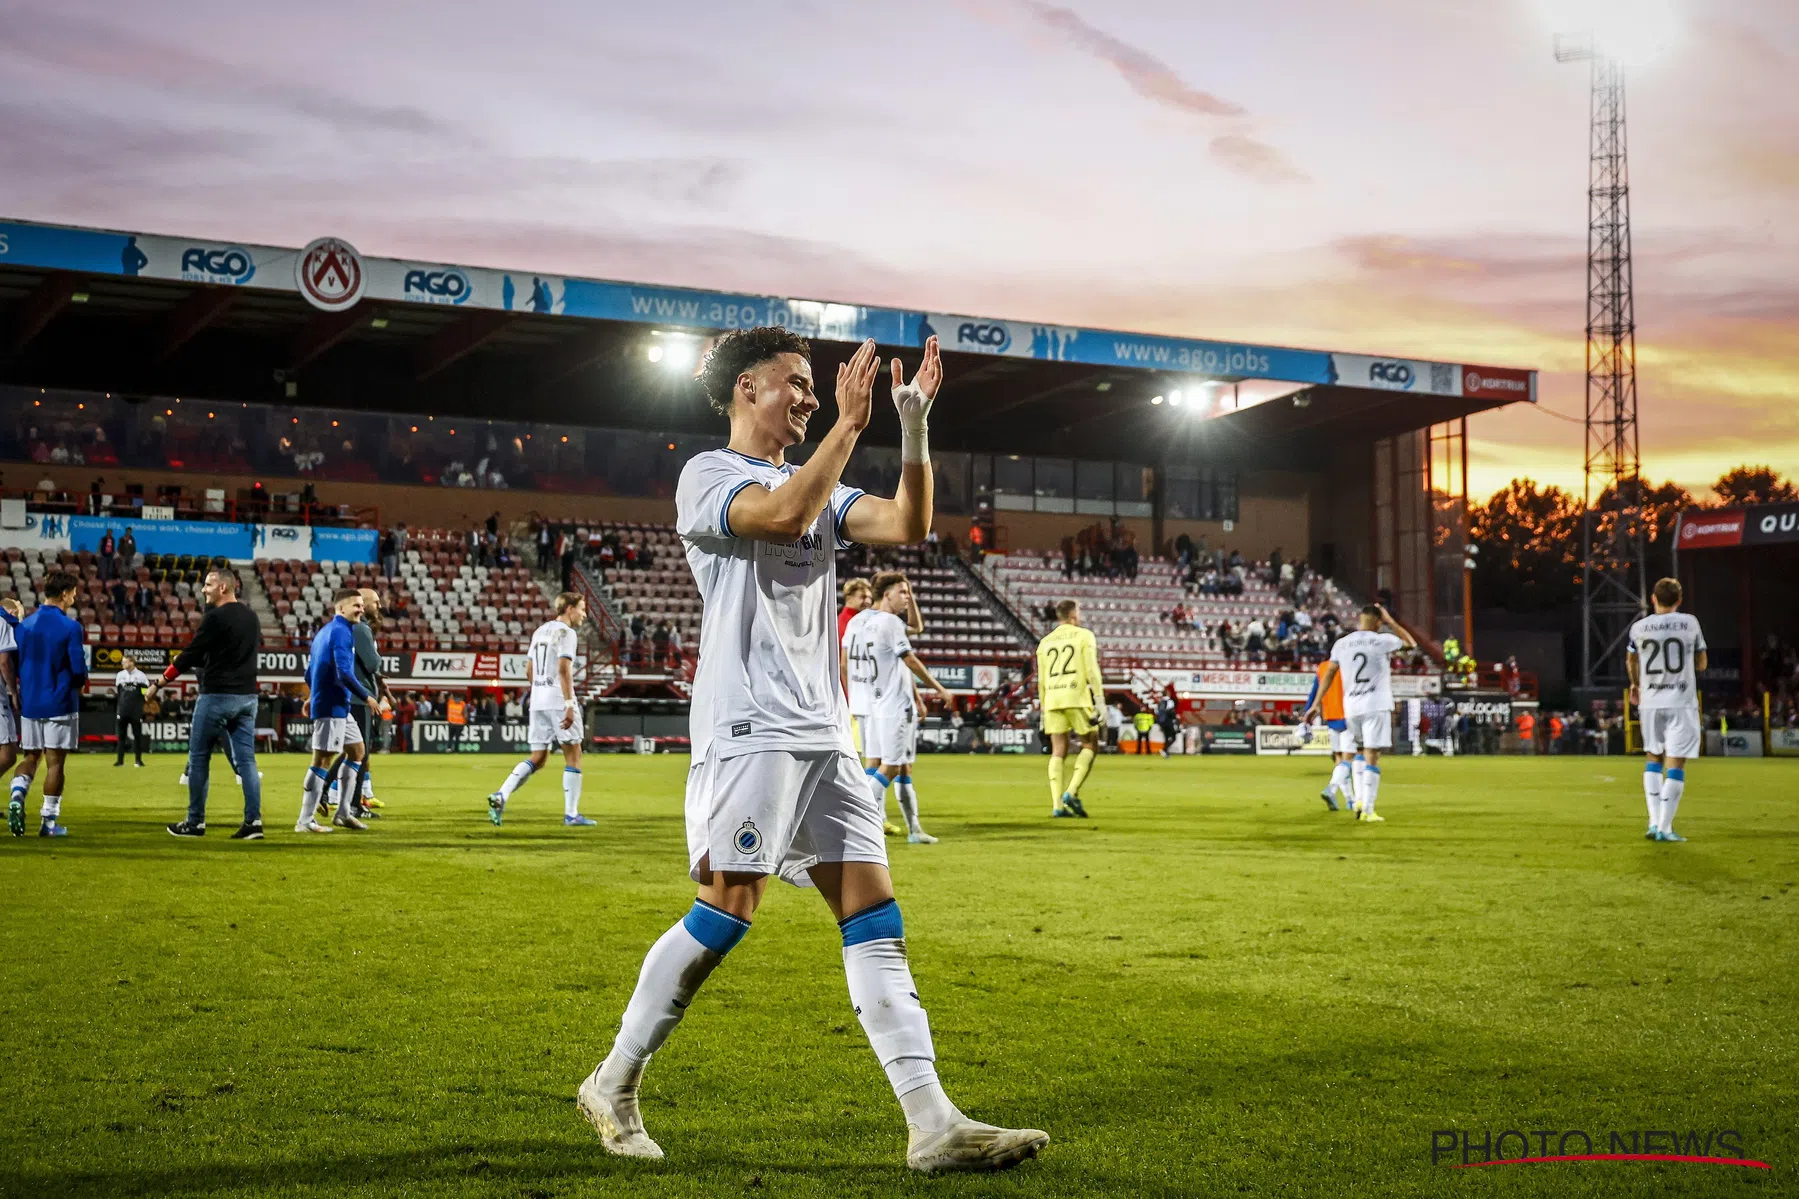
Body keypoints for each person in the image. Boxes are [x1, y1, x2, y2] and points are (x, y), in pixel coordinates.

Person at [576, 329, 1045, 1173]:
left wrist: (911, 425)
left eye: (810, 387)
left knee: (873, 916)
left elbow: (908, 521)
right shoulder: (709, 476)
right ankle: (613, 1081)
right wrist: (848, 425)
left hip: (825, 733)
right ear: (746, 388)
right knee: (727, 911)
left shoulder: (819, 481)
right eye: (793, 383)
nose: (806, 396)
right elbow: (783, 512)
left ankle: (931, 1121)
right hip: (749, 726)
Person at [155, 569, 266, 839]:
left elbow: (192, 653)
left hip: (217, 695)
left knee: (199, 758)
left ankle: (195, 823)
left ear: (224, 588)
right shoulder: (251, 616)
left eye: (208, 585)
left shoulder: (214, 617)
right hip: (248, 697)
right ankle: (253, 823)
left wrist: (161, 681)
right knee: (247, 762)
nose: (204, 589)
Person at [844, 571, 953, 844]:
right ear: (887, 594)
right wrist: (939, 689)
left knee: (888, 765)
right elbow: (910, 660)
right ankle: (857, 819)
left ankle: (913, 829)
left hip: (867, 701)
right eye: (902, 592)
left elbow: (846, 663)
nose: (906, 597)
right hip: (892, 703)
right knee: (892, 766)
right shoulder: (890, 622)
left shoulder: (858, 621)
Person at [487, 592, 595, 827]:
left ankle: (501, 795)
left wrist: (539, 691)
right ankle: (571, 814)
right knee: (574, 755)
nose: (584, 614)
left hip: (537, 699)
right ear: (569, 609)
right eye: (581, 608)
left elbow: (528, 670)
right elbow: (564, 669)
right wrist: (567, 704)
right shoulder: (567, 633)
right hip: (558, 698)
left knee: (538, 757)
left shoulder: (540, 631)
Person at [1303, 604, 1416, 823]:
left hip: (1351, 708)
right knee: (1372, 755)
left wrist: (1316, 703)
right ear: (1378, 621)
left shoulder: (1342, 644)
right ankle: (1368, 808)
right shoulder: (1382, 640)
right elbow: (1411, 644)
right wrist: (1391, 622)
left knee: (1357, 752)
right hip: (1375, 704)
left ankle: (1358, 800)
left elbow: (1329, 674)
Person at [297, 590, 386, 834]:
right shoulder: (341, 632)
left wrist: (310, 695)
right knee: (322, 761)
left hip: (337, 704)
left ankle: (344, 812)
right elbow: (344, 673)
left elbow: (310, 670)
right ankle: (305, 821)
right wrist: (368, 696)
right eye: (355, 605)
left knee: (357, 751)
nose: (360, 609)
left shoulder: (325, 631)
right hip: (332, 704)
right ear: (341, 608)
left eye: (361, 605)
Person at [8, 570, 87, 838]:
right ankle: (49, 823)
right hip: (60, 702)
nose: (75, 597)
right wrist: (78, 686)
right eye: (74, 593)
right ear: (65, 594)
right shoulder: (71, 627)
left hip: (31, 702)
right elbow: (78, 669)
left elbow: (14, 663)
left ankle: (17, 794)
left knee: (30, 757)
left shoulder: (24, 626)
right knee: (55, 764)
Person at [1629, 577, 1707, 843]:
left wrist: (1634, 684)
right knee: (1676, 761)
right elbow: (1702, 663)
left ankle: (1653, 823)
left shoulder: (1639, 627)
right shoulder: (1690, 622)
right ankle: (1665, 827)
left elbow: (1631, 657)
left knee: (1653, 757)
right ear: (1679, 600)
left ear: (1653, 598)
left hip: (1650, 701)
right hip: (1681, 701)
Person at [326, 588, 393, 820]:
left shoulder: (340, 629)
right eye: (374, 602)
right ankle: (351, 805)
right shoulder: (361, 629)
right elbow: (373, 662)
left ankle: (330, 794)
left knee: (351, 752)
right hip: (360, 697)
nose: (378, 606)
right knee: (358, 754)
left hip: (347, 696)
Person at [1035, 598, 1102, 818]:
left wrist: (1044, 709)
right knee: (1090, 742)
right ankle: (1071, 792)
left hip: (1053, 698)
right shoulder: (1084, 635)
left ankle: (1056, 806)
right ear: (1073, 615)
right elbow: (1092, 670)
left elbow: (1041, 680)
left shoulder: (1044, 642)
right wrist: (1100, 700)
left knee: (1058, 750)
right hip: (1076, 695)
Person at [1303, 648, 1353, 811]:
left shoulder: (1323, 667)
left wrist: (1307, 714)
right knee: (1349, 759)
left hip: (1331, 718)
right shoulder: (1350, 665)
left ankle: (1349, 798)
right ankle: (1331, 789)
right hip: (1349, 716)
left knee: (1339, 759)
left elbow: (1314, 693)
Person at [113, 654, 150, 767]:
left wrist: (141, 705)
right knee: (121, 736)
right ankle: (120, 761)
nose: (122, 664)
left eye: (125, 662)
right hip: (123, 710)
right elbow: (120, 693)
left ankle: (138, 760)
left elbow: (145, 694)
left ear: (132, 662)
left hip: (136, 711)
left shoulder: (141, 676)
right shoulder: (120, 675)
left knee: (137, 736)